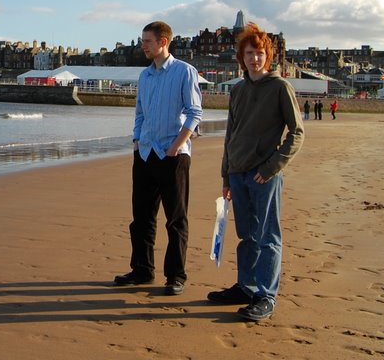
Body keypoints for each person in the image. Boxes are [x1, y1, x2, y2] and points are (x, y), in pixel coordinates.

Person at [208, 22, 304, 321]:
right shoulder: (237, 91)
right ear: (242, 57)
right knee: (246, 235)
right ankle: (246, 286)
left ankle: (266, 295)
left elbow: (297, 132)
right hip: (237, 173)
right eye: (250, 53)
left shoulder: (280, 87)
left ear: (269, 56)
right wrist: (226, 176)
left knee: (267, 236)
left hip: (264, 174)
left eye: (260, 53)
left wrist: (273, 165)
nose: (255, 58)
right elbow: (231, 135)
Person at [114, 21, 203, 296]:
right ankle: (142, 270)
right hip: (144, 153)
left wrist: (176, 146)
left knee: (175, 219)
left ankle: (175, 276)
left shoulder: (184, 72)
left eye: (148, 42)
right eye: (143, 41)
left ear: (163, 42)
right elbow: (140, 112)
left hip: (173, 155)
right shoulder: (145, 76)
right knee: (141, 218)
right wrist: (136, 141)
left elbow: (195, 113)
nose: (143, 46)